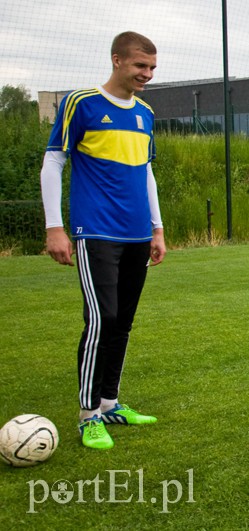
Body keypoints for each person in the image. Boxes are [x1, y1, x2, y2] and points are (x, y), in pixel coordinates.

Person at [40, 31, 165, 450]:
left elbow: (146, 172)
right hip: (95, 232)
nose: (146, 74)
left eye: (151, 67)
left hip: (137, 234)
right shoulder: (82, 103)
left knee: (123, 323)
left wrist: (158, 228)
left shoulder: (146, 113)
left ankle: (110, 403)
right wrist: (54, 226)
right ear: (116, 61)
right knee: (101, 320)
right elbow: (55, 160)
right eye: (139, 66)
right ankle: (88, 414)